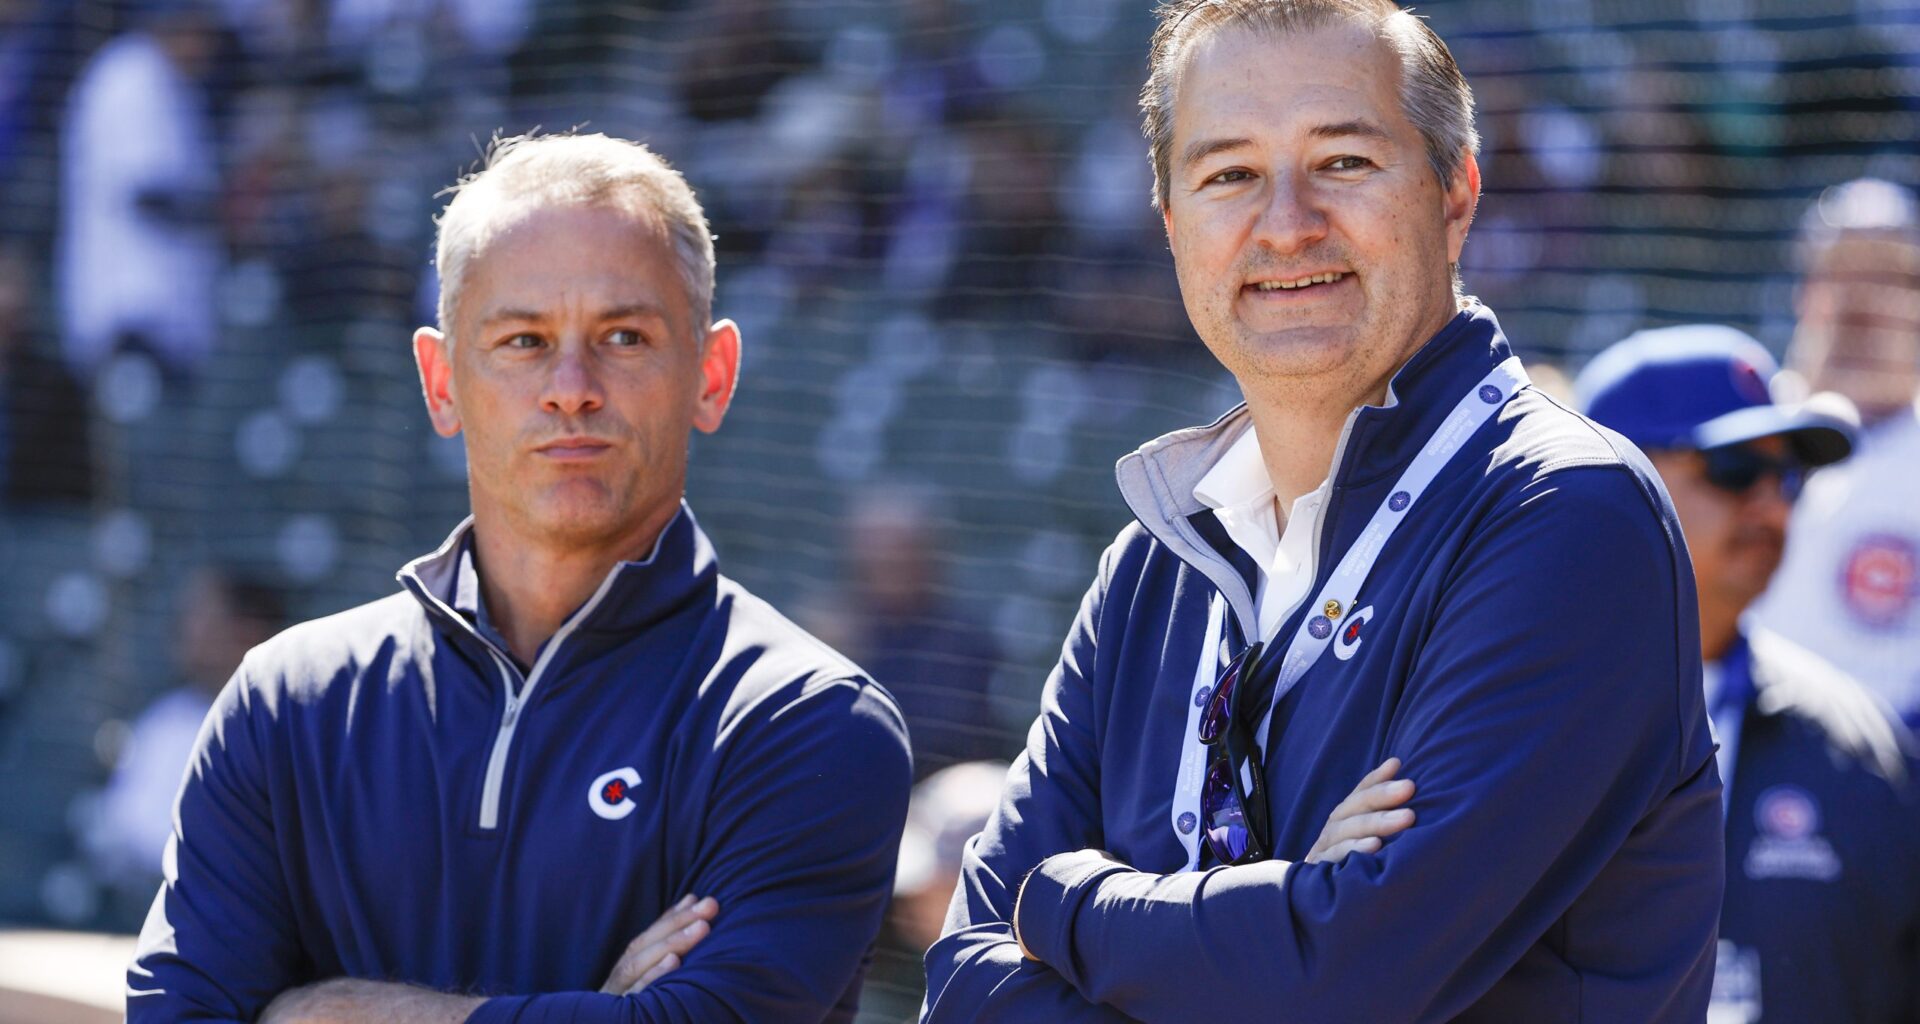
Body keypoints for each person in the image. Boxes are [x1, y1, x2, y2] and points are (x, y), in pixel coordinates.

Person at [921, 2, 1723, 1020]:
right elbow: (961, 989)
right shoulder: (1151, 569)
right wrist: (1292, 904)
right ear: (1172, 224)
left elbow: (1344, 984)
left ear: (1456, 194)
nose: (1287, 223)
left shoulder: (1566, 514)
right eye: (1229, 175)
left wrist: (1067, 903)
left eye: (1343, 162)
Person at [126, 132, 915, 1023]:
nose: (571, 387)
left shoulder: (801, 719)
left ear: (712, 374)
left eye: (624, 335)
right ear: (441, 382)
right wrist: (586, 1011)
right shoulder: (287, 701)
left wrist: (319, 1011)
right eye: (523, 339)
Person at [1579, 324, 1920, 1024]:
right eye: (1734, 468)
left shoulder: (1865, 749)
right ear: (1607, 478)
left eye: (1788, 476)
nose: (1771, 504)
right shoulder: (1480, 714)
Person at [1751, 179, 1920, 726]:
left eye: (1887, 277)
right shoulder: (1737, 442)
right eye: (1842, 273)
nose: (1861, 301)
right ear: (1806, 292)